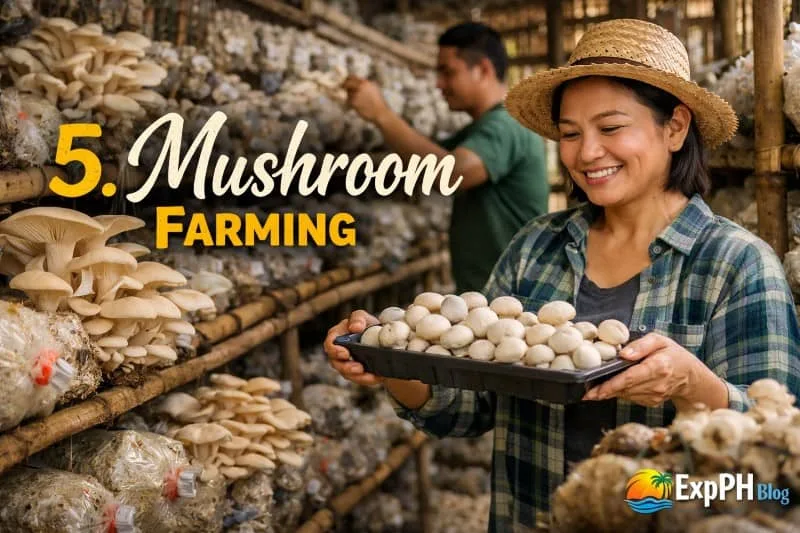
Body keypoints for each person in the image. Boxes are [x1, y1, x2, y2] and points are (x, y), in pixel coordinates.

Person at [325, 19, 800, 531]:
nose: (586, 152)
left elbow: (771, 470)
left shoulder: (737, 265)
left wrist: (691, 386)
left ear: (676, 127)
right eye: (570, 134)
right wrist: (391, 358)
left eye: (611, 128)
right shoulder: (536, 248)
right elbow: (468, 408)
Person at [343, 22, 549, 292]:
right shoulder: (479, 130)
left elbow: (448, 173)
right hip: (494, 298)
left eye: (447, 72)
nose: (439, 85)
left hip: (512, 302)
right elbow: (421, 156)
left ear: (483, 70)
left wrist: (382, 115)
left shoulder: (506, 125)